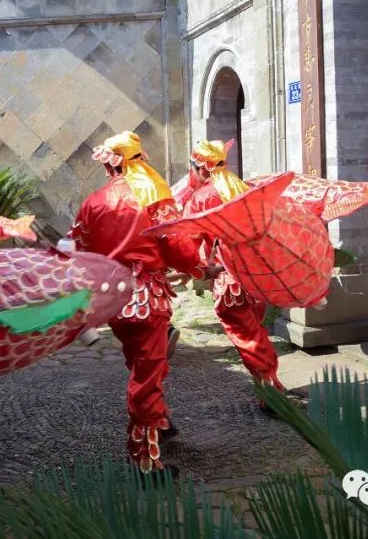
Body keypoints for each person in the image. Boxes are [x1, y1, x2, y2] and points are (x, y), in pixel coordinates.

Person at [69, 131, 212, 478]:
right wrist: (200, 267)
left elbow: (81, 248)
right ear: (139, 158)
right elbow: (176, 242)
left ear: (109, 164)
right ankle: (144, 459)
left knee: (141, 363)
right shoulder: (152, 191)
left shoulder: (93, 201)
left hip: (113, 300)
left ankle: (159, 422)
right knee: (146, 374)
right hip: (146, 297)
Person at [181, 140, 286, 407]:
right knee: (256, 332)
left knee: (247, 337)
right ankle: (268, 383)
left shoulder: (200, 199)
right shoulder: (242, 189)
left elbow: (187, 243)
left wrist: (186, 269)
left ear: (200, 169)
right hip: (257, 278)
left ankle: (270, 389)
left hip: (230, 281)